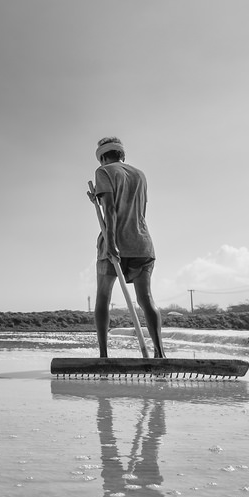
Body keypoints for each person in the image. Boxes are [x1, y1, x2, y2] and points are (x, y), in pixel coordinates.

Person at [89, 136, 164, 358]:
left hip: (116, 244)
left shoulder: (104, 171)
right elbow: (133, 206)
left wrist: (111, 243)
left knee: (103, 297)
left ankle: (103, 355)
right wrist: (97, 200)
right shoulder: (140, 175)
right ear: (122, 155)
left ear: (103, 157)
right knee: (146, 299)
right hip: (142, 244)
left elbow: (111, 210)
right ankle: (160, 354)